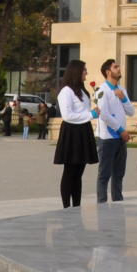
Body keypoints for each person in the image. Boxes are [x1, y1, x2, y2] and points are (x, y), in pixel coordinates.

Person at [53, 61, 97, 209]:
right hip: (72, 132)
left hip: (83, 130)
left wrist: (92, 113)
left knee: (79, 171)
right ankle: (66, 206)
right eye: (84, 70)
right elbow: (67, 115)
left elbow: (82, 111)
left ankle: (76, 204)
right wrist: (90, 114)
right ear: (76, 71)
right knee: (70, 171)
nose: (86, 72)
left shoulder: (83, 91)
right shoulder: (66, 91)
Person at [93, 59, 132, 204]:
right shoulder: (101, 90)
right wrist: (121, 130)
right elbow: (104, 114)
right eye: (115, 67)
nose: (119, 68)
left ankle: (118, 201)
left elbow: (131, 111)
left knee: (119, 173)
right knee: (104, 173)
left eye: (118, 66)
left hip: (120, 139)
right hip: (107, 138)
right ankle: (102, 202)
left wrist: (123, 98)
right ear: (108, 72)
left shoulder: (122, 90)